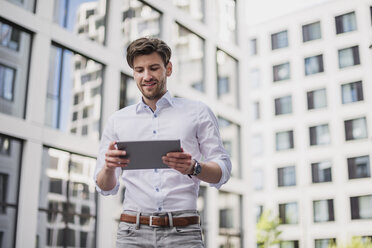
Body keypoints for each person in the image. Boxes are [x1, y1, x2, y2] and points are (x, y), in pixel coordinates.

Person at [94, 37, 232, 248]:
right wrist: (109, 168)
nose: (146, 76)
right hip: (132, 232)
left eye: (154, 68)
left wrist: (194, 167)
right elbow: (105, 187)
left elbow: (223, 170)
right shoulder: (117, 121)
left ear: (168, 68)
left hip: (183, 232)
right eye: (139, 70)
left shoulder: (197, 112)